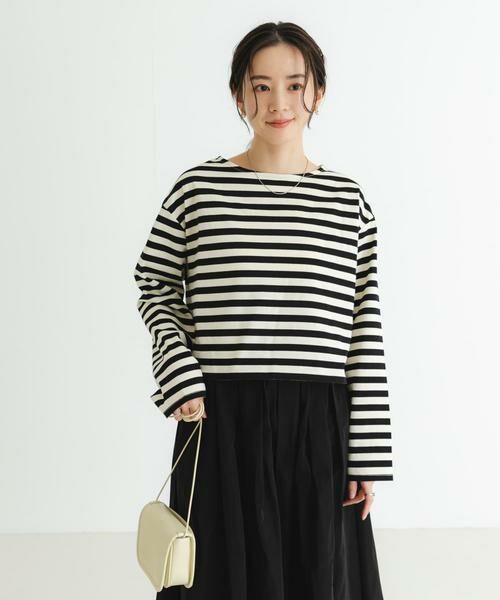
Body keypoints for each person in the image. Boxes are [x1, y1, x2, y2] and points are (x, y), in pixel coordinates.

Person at [133, 21, 394, 600]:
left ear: (318, 93)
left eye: (295, 85)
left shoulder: (347, 202)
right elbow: (154, 284)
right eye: (261, 86)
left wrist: (367, 454)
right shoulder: (198, 190)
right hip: (222, 422)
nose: (279, 103)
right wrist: (179, 372)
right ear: (239, 94)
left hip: (319, 432)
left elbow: (364, 326)